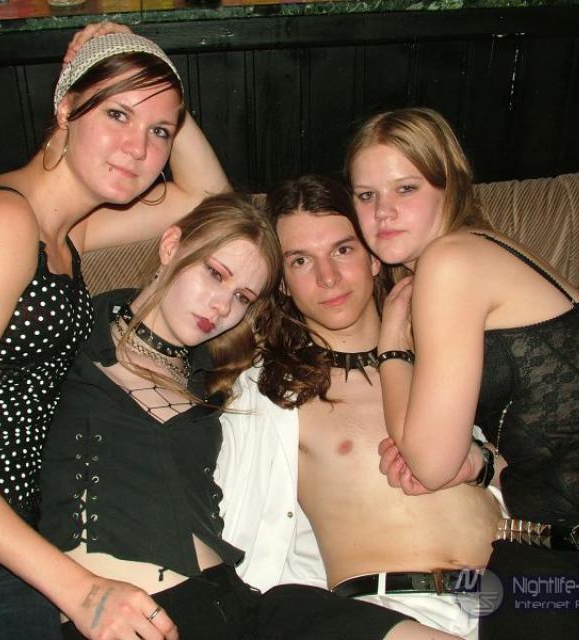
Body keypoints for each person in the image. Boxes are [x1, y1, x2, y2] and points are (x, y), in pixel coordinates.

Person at [0, 24, 228, 640]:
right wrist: (83, 590)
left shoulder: (64, 231)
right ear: (65, 108)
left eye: (159, 132)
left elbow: (209, 198)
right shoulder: (0, 220)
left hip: (4, 561)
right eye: (117, 114)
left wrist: (158, 81)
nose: (137, 147)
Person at [38, 191, 428, 640]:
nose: (221, 307)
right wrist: (78, 590)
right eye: (214, 273)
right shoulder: (72, 332)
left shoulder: (222, 381)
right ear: (171, 246)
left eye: (242, 296)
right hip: (137, 620)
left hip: (245, 604)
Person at [217, 174, 502, 640]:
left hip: (510, 593)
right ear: (282, 283)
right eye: (301, 260)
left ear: (373, 256)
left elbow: (539, 474)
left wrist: (480, 463)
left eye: (343, 250)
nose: (327, 277)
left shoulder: (443, 351)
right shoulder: (270, 393)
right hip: (388, 613)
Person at [345, 107, 579, 638]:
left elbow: (427, 464)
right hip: (544, 552)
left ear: (449, 186)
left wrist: (391, 349)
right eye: (366, 195)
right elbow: (540, 435)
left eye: (406, 188)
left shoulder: (451, 262)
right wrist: (480, 463)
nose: (383, 212)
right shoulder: (482, 250)